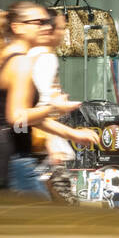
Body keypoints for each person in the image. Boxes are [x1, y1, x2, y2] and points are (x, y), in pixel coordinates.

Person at [0, 2, 90, 197]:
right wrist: (53, 108)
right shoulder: (21, 62)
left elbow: (27, 117)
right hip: (13, 159)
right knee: (45, 223)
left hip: (7, 158)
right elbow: (17, 118)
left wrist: (72, 134)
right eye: (39, 22)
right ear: (18, 27)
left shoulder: (10, 55)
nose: (47, 27)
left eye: (47, 22)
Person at [29, 11, 100, 203]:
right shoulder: (45, 57)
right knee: (63, 205)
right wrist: (58, 109)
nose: (64, 33)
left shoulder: (32, 53)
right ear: (49, 30)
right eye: (61, 28)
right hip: (44, 144)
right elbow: (40, 106)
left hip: (34, 142)